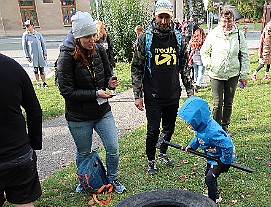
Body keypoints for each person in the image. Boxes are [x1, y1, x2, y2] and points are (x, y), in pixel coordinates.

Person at [56, 11, 126, 193]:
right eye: (87, 36)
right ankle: (84, 180)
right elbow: (66, 91)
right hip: (79, 117)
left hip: (102, 112)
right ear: (77, 37)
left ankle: (113, 178)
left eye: (93, 35)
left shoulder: (99, 49)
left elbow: (106, 75)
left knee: (113, 148)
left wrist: (109, 82)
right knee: (84, 152)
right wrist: (96, 93)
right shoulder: (66, 57)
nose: (92, 39)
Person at [131, 0, 194, 175]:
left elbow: (184, 67)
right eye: (161, 17)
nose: (164, 21)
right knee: (153, 130)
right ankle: (151, 160)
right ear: (155, 16)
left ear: (171, 17)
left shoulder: (178, 38)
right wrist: (137, 94)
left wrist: (190, 92)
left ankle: (163, 153)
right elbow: (136, 67)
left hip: (172, 93)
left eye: (167, 17)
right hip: (153, 94)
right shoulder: (146, 38)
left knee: (169, 128)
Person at [0, 54, 45, 207]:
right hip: (18, 153)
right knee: (23, 202)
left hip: (14, 153)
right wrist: (34, 142)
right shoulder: (12, 67)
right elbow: (34, 109)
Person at [201, 8, 250, 135]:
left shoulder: (238, 35)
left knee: (228, 102)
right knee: (218, 103)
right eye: (224, 21)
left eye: (229, 22)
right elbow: (204, 52)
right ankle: (215, 128)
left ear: (233, 21)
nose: (227, 25)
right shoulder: (213, 34)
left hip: (232, 74)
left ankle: (224, 127)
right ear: (220, 20)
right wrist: (210, 65)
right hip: (216, 74)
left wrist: (244, 74)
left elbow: (244, 55)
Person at [178, 96, 236, 203]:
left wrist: (224, 161)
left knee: (210, 178)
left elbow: (227, 145)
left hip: (221, 157)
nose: (187, 124)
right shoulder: (201, 126)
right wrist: (192, 146)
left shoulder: (213, 131)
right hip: (212, 157)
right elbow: (199, 137)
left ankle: (212, 203)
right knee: (208, 175)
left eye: (189, 121)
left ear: (197, 118)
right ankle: (215, 195)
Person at [22, 20, 48, 87]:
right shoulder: (25, 35)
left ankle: (44, 82)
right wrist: (27, 56)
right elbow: (24, 47)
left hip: (40, 55)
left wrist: (45, 54)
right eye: (26, 26)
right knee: (35, 70)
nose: (27, 27)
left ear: (32, 26)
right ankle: (38, 82)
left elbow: (43, 44)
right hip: (32, 55)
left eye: (28, 26)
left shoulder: (38, 34)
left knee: (42, 69)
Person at [188, 27, 206, 92]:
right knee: (201, 72)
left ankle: (196, 82)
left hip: (194, 58)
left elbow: (189, 49)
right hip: (201, 58)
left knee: (196, 71)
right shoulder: (204, 41)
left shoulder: (193, 40)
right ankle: (198, 84)